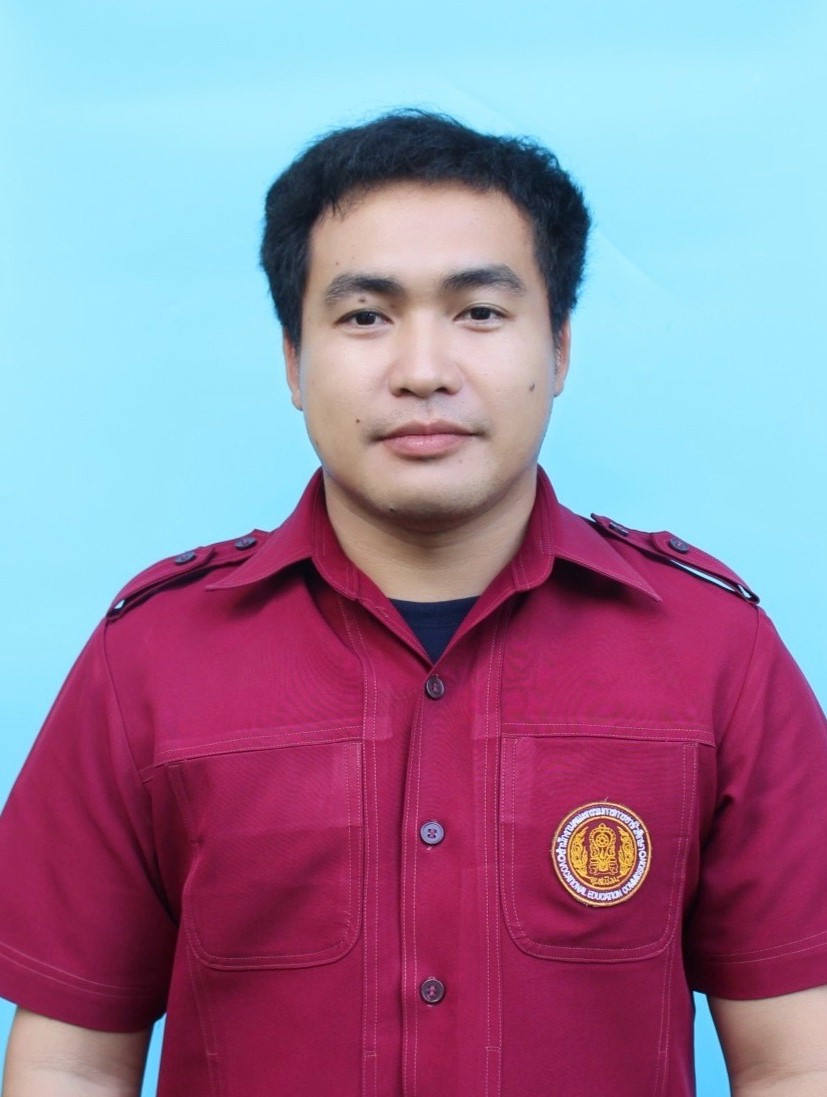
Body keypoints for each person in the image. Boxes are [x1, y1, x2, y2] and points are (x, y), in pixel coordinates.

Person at [1, 109, 826, 1097]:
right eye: (364, 316)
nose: (423, 371)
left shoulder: (715, 653)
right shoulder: (151, 661)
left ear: (558, 349)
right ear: (293, 361)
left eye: (478, 312)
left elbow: (796, 1060)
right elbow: (72, 1063)